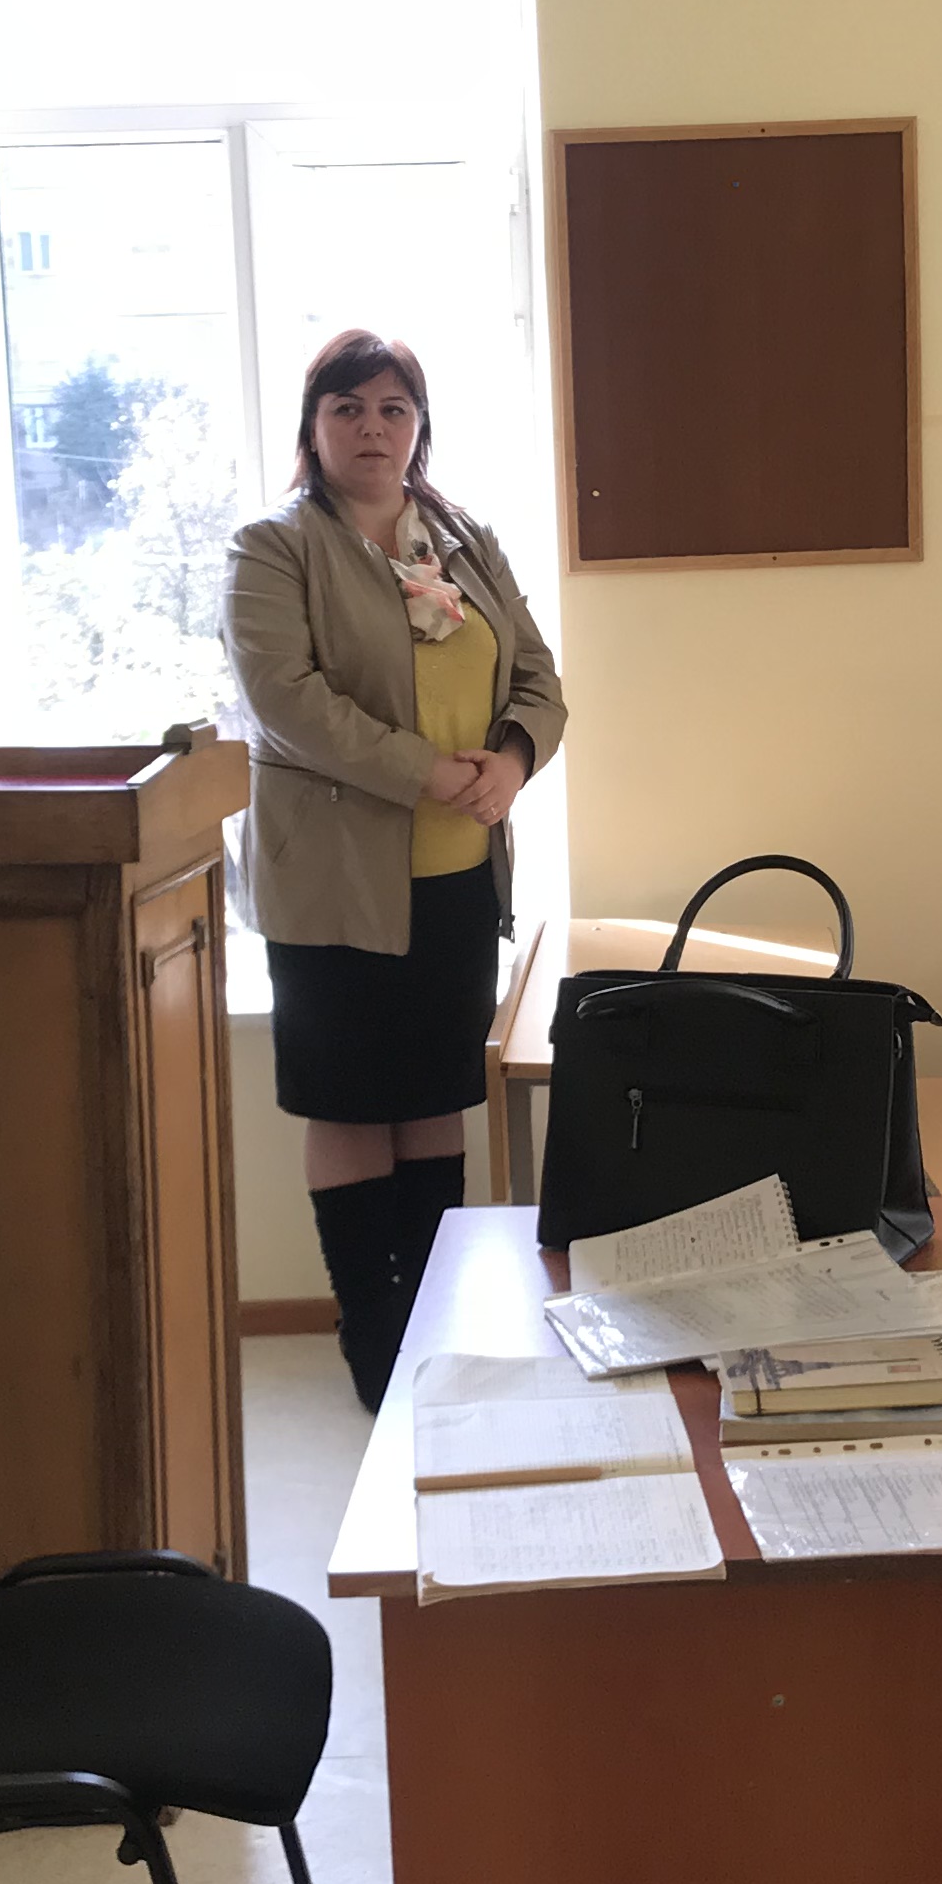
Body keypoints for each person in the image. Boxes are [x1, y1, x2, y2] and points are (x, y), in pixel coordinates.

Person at [225, 329, 566, 1408]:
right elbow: (287, 702)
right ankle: (371, 1332)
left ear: (420, 426)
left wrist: (512, 760)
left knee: (431, 1099)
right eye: (349, 408)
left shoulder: (464, 541)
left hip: (457, 873)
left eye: (393, 408)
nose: (373, 428)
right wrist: (425, 770)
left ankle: (434, 1318)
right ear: (313, 425)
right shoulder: (275, 548)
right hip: (333, 880)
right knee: (349, 1104)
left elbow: (539, 677)